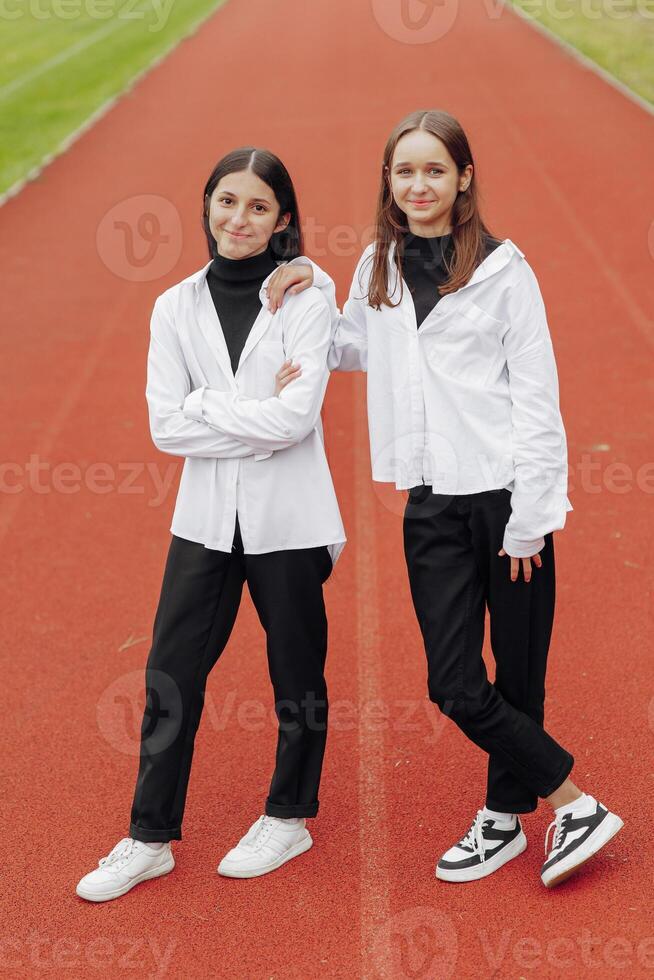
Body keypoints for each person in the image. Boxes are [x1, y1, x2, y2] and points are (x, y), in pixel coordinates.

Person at [267, 109, 623, 888]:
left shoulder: (505, 273)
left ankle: (503, 821)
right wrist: (307, 285)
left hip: (507, 504)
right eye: (404, 171)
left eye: (434, 169)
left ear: (464, 178)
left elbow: (538, 401)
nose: (418, 185)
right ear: (388, 184)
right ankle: (575, 802)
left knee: (519, 676)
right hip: (431, 503)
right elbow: (351, 343)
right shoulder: (379, 267)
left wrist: (531, 523)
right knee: (455, 682)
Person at [76, 147, 346, 902]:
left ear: (282, 219)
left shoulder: (307, 299)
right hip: (204, 522)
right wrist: (236, 416)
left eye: (259, 207)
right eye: (228, 201)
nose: (239, 218)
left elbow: (295, 422)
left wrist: (207, 407)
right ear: (206, 206)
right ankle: (148, 836)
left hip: (287, 519)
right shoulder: (174, 306)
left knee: (296, 673)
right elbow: (166, 426)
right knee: (170, 676)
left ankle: (290, 815)